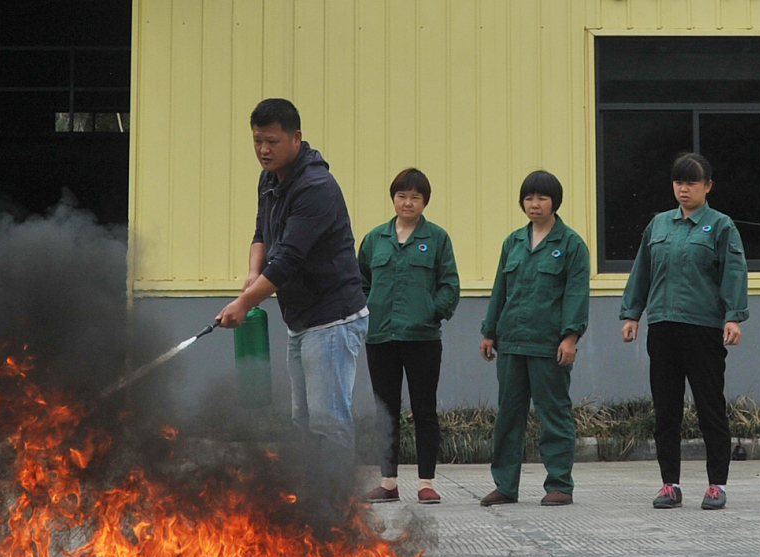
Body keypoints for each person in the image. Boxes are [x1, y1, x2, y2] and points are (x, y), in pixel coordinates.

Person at [216, 98, 368, 527]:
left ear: (296, 138)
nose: (263, 150)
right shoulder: (270, 179)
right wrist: (252, 274)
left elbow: (288, 261)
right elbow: (262, 234)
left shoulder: (316, 187)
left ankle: (338, 510)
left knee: (329, 420)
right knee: (304, 420)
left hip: (333, 319)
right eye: (257, 141)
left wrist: (245, 303)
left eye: (272, 141)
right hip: (301, 320)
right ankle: (313, 501)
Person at [619, 152, 748, 511]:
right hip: (662, 327)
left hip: (703, 328)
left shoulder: (721, 226)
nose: (684, 189)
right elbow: (642, 271)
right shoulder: (658, 225)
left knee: (710, 408)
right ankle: (669, 485)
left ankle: (716, 485)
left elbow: (734, 272)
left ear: (708, 186)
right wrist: (632, 314)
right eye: (678, 182)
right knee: (666, 410)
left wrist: (734, 317)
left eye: (691, 182)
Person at [479, 170, 589, 507]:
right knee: (508, 416)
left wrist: (570, 337)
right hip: (511, 342)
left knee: (554, 414)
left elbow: (576, 293)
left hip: (548, 344)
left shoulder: (570, 244)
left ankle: (559, 484)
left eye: (542, 197)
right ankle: (505, 486)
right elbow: (500, 289)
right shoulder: (512, 242)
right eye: (528, 198)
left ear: (555, 202)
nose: (534, 204)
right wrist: (489, 331)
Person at [358, 168, 460, 505]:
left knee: (424, 410)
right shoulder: (375, 239)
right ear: (393, 199)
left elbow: (449, 283)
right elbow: (360, 282)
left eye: (415, 197)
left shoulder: (437, 238)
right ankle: (388, 482)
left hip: (422, 338)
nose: (408, 202)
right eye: (402, 196)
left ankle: (426, 482)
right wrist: (367, 314)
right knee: (385, 412)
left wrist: (432, 311)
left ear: (424, 202)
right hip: (381, 337)